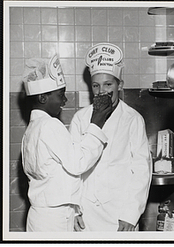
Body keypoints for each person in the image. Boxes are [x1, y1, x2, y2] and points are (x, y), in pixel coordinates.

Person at [21, 54, 111, 232]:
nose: (64, 100)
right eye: (60, 95)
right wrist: (96, 124)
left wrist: (75, 209)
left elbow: (57, 174)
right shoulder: (49, 125)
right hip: (54, 219)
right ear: (43, 98)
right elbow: (78, 163)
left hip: (42, 215)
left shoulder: (32, 128)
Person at [69, 43, 151, 231]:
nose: (102, 91)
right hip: (86, 214)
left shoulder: (133, 119)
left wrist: (130, 215)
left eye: (108, 84)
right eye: (96, 86)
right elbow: (72, 169)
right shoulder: (80, 119)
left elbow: (141, 170)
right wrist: (73, 209)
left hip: (120, 214)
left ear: (119, 85)